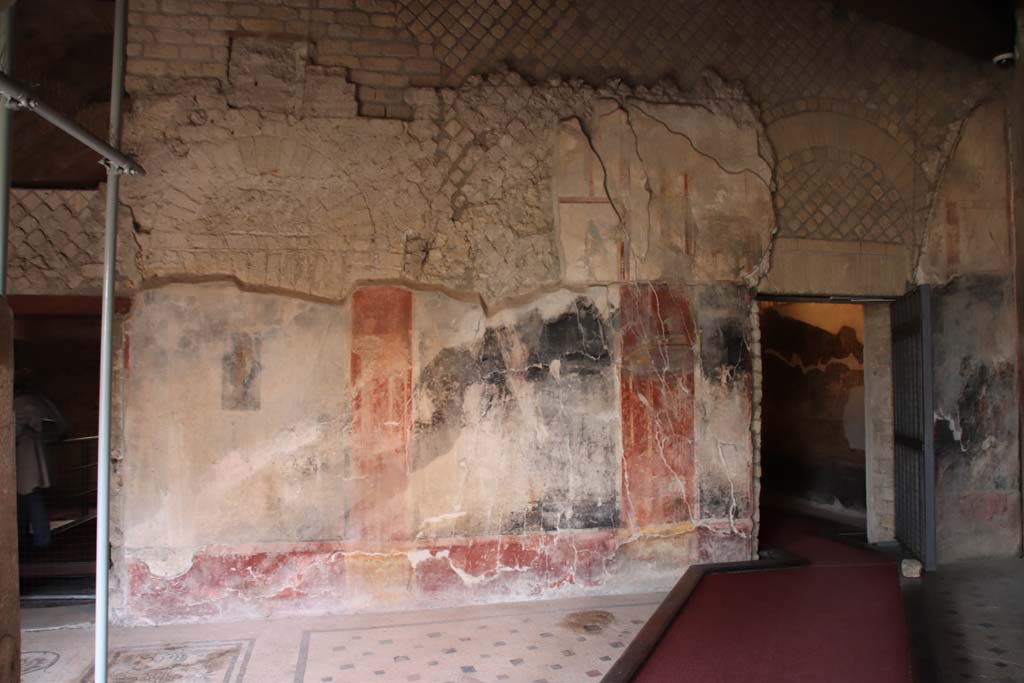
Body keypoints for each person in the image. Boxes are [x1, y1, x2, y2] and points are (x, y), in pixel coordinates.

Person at [15, 369, 69, 551]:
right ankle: (30, 537)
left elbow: (13, 430)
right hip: (33, 453)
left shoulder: (20, 404)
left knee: (30, 496)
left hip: (24, 455)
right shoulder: (39, 402)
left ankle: (39, 539)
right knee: (26, 498)